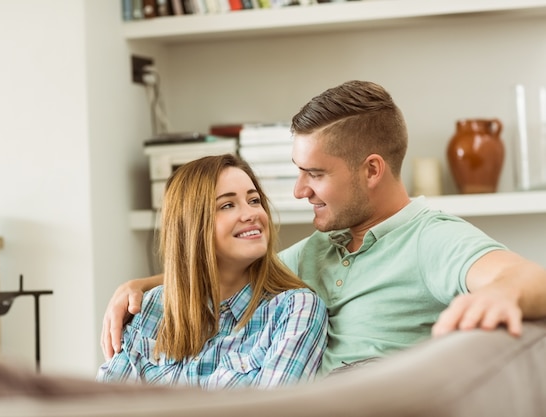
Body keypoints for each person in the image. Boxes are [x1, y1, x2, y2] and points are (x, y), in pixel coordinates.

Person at [102, 80, 546, 376]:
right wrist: (141, 285)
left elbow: (525, 276)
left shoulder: (432, 239)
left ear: (371, 170)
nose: (298, 191)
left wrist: (501, 293)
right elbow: (227, 269)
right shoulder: (319, 248)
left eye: (314, 174)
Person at [97, 154, 328, 389]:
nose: (251, 214)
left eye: (254, 200)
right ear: (192, 225)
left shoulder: (295, 310)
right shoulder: (151, 308)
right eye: (227, 205)